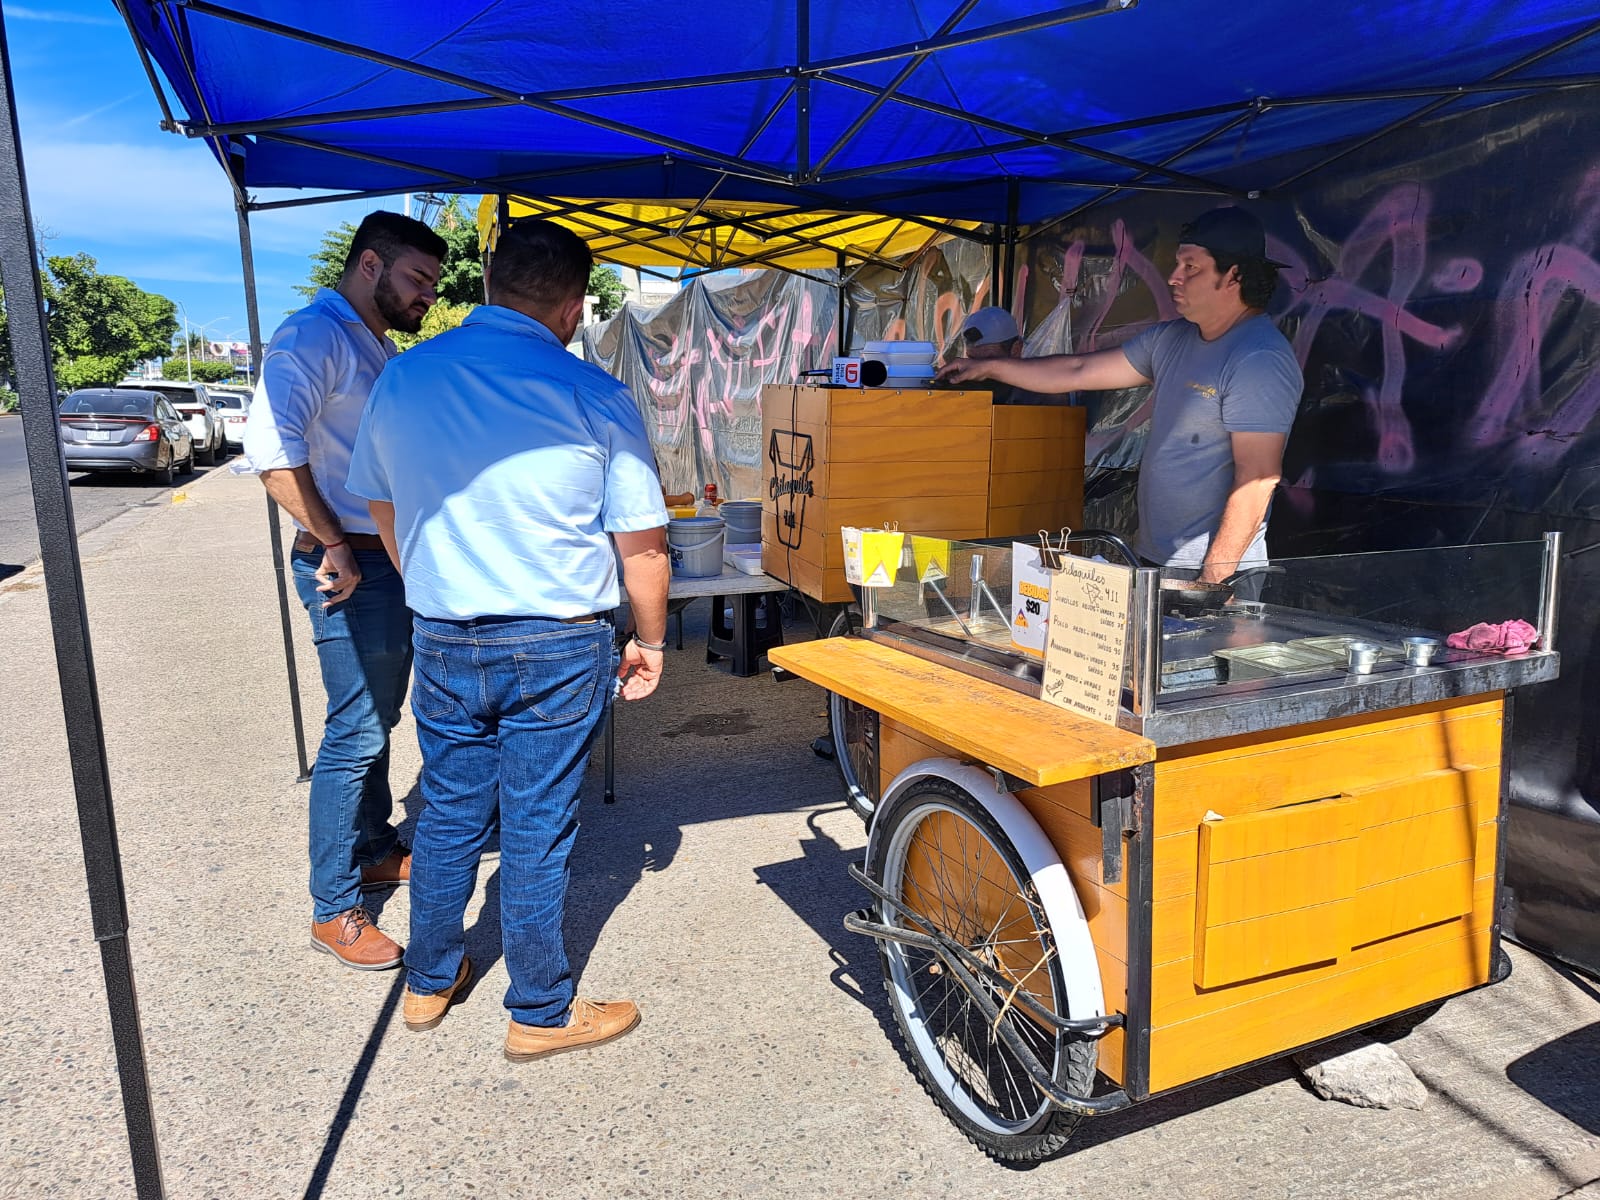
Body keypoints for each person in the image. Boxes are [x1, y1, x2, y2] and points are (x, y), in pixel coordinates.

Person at [346, 217, 671, 1059]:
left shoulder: (404, 378)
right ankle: (539, 1011)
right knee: (536, 821)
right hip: (558, 640)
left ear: (488, 282)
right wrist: (654, 642)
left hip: (446, 631)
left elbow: (382, 507)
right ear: (571, 308)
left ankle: (428, 982)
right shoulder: (592, 391)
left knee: (450, 809)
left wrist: (434, 581)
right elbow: (642, 545)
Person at [244, 211, 446, 970]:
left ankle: (371, 845)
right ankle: (333, 907)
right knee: (357, 728)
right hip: (345, 562)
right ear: (369, 265)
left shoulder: (371, 339)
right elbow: (271, 456)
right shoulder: (313, 335)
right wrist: (333, 540)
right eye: (416, 279)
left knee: (377, 715)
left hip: (378, 556)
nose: (428, 294)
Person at [938, 208, 1302, 581]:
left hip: (1213, 571)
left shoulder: (1258, 358)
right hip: (1155, 557)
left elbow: (1257, 478)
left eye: (1191, 267)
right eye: (1177, 264)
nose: (1174, 277)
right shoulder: (1171, 338)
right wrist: (988, 367)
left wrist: (1212, 580)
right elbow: (1078, 370)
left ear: (1234, 276)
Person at [948, 307, 1061, 406]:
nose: (978, 368)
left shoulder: (1043, 395)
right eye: (972, 360)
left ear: (1016, 349)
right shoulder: (963, 391)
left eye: (988, 361)